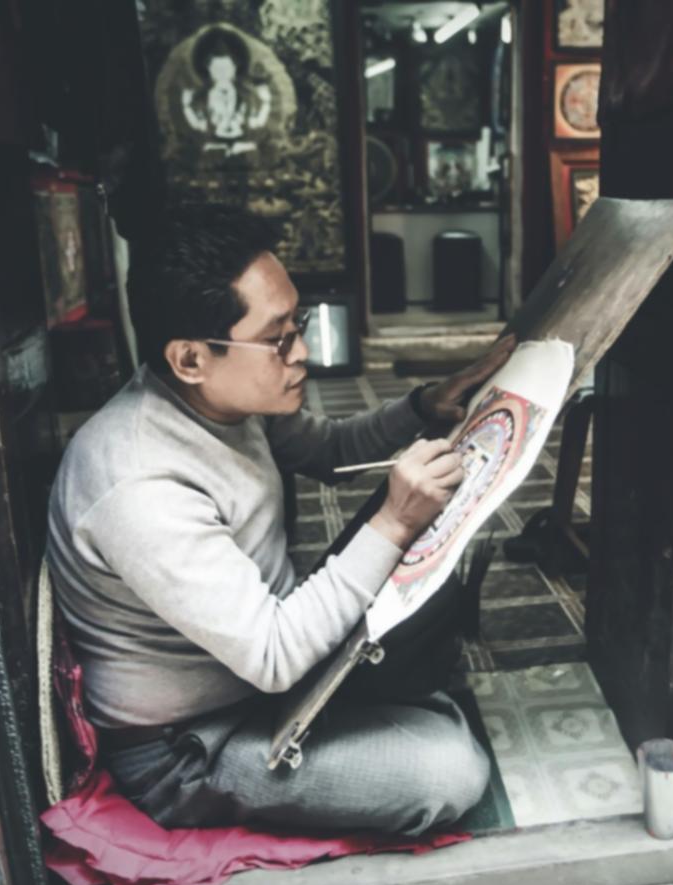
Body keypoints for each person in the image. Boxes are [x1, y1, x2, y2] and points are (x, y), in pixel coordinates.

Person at [46, 203, 513, 836]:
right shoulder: (138, 483)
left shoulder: (228, 397)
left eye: (300, 324)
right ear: (190, 358)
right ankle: (390, 720)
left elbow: (327, 449)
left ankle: (380, 711)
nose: (303, 353)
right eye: (278, 338)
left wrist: (425, 406)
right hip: (192, 746)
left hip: (267, 666)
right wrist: (395, 522)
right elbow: (272, 655)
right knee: (451, 772)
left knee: (432, 546)